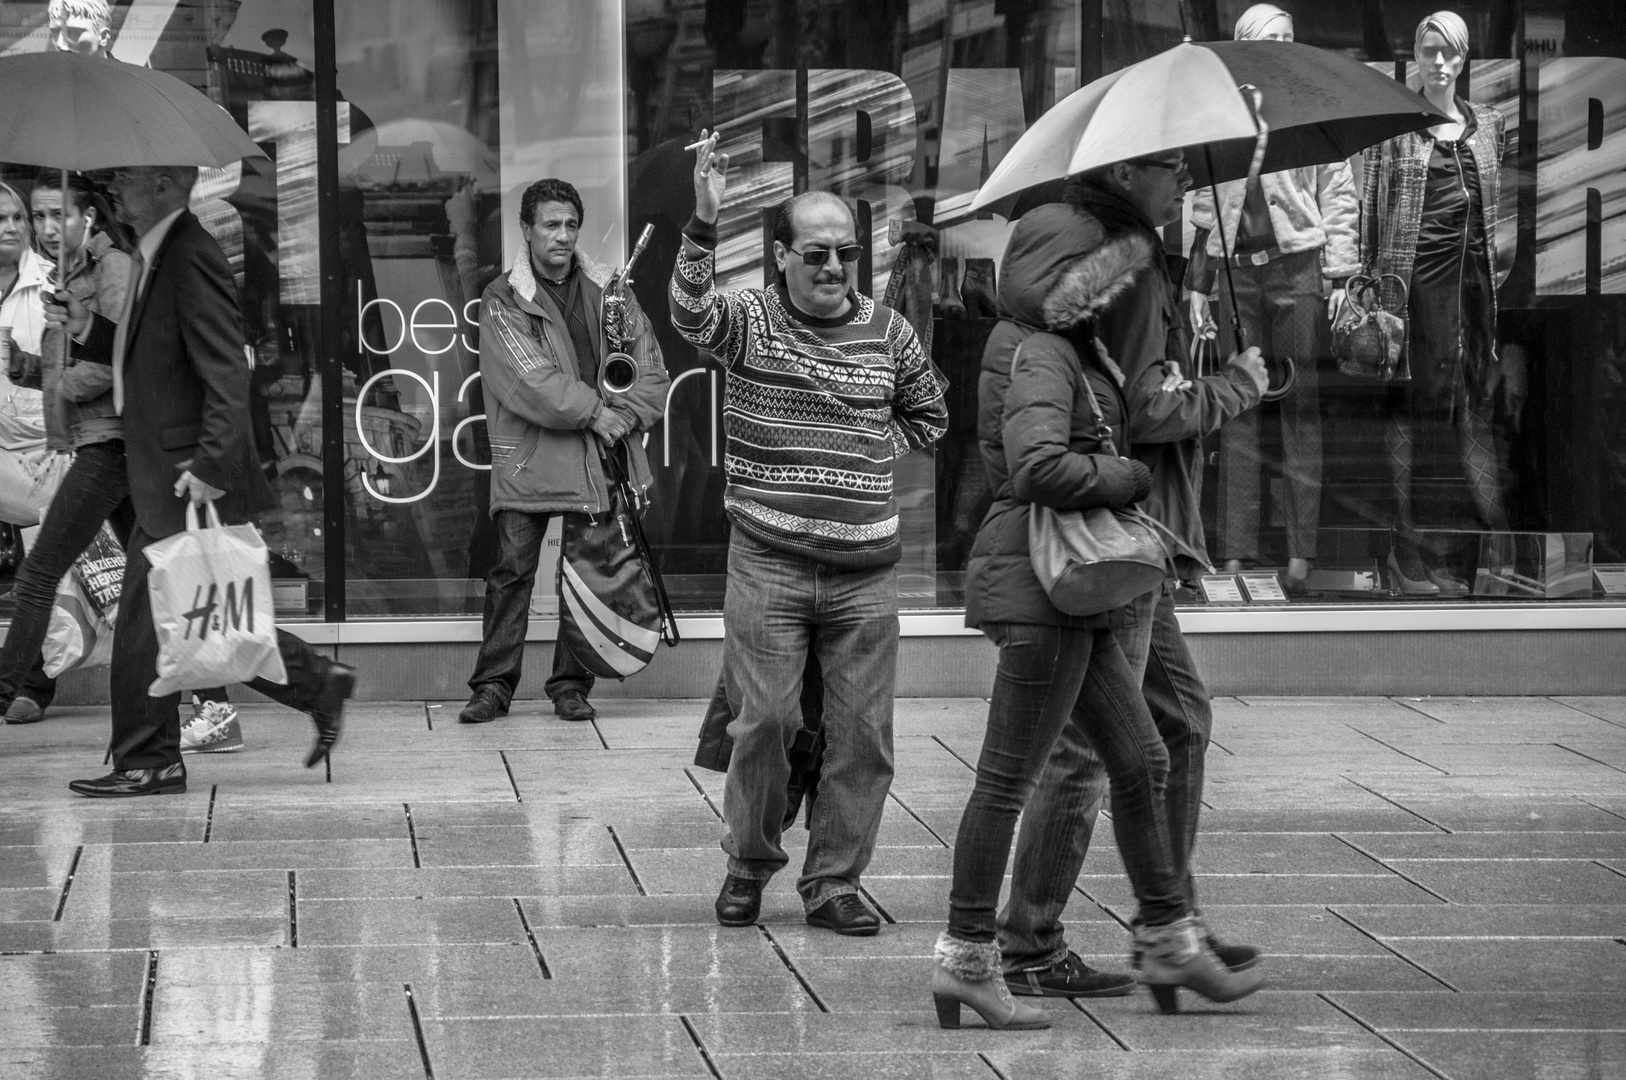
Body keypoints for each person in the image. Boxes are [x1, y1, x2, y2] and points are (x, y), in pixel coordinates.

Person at [931, 178, 1268, 1030]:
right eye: (1103, 278)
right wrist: (1129, 471)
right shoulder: (1043, 351)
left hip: (1074, 588)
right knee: (1011, 779)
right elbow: (1037, 466)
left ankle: (1165, 934)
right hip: (1047, 592)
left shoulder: (1075, 349)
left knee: (1148, 753)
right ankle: (977, 957)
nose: (1117, 293)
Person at [671, 132, 947, 936]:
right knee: (764, 724)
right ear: (783, 257)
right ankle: (748, 863)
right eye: (817, 254)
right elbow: (689, 314)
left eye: (847, 254)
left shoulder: (889, 332)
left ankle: (833, 884)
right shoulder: (750, 321)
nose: (834, 268)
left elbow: (928, 416)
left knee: (864, 735)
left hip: (865, 569)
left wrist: (869, 450)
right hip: (770, 561)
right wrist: (702, 222)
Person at [62, 165, 355, 798]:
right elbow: (153, 356)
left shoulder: (189, 253)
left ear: (165, 183)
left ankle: (150, 760)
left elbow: (226, 371)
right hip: (161, 467)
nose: (116, 187)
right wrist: (88, 329)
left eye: (127, 180)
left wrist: (211, 466)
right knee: (191, 615)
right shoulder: (156, 250)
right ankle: (316, 683)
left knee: (152, 618)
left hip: (186, 472)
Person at [458, 178, 669, 725]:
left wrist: (628, 414)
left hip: (598, 457)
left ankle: (570, 686)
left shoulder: (612, 292)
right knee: (511, 575)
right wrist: (600, 414)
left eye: (571, 224)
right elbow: (529, 381)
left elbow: (651, 369)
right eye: (550, 224)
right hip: (533, 459)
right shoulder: (502, 298)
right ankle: (492, 687)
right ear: (525, 230)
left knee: (586, 574)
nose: (563, 235)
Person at [1189, 3, 1359, 593]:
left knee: (1300, 412)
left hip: (1297, 270)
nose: (1283, 45)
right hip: (1240, 274)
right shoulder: (1222, 115)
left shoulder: (1309, 105)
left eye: (1289, 36)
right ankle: (1235, 550)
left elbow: (1338, 195)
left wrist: (1340, 277)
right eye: (1270, 38)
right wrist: (1201, 283)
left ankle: (1301, 552)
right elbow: (1204, 205)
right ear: (1245, 45)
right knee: (1238, 407)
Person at [1363, 10, 1509, 595]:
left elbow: (1498, 219)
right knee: (1407, 419)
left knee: (1473, 414)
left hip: (1473, 292)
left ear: (1466, 57)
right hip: (1411, 290)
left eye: (1450, 53)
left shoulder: (1490, 124)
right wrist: (1372, 295)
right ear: (1415, 57)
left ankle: (1495, 552)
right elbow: (1372, 215)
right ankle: (1403, 553)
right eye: (1430, 51)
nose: (1440, 63)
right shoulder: (1392, 128)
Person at [47, 0, 112, 57]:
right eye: (54, 33)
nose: (59, 44)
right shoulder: (44, 70)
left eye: (72, 34)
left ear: (103, 37)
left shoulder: (120, 71)